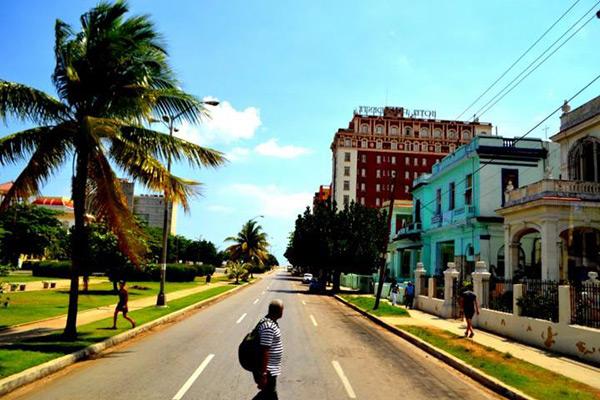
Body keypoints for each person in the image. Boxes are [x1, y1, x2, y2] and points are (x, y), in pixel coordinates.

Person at [253, 299, 284, 400]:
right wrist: (264, 373)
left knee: (268, 394)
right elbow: (264, 350)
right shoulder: (269, 326)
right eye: (282, 310)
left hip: (270, 369)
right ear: (278, 311)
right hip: (268, 370)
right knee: (270, 394)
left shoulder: (270, 322)